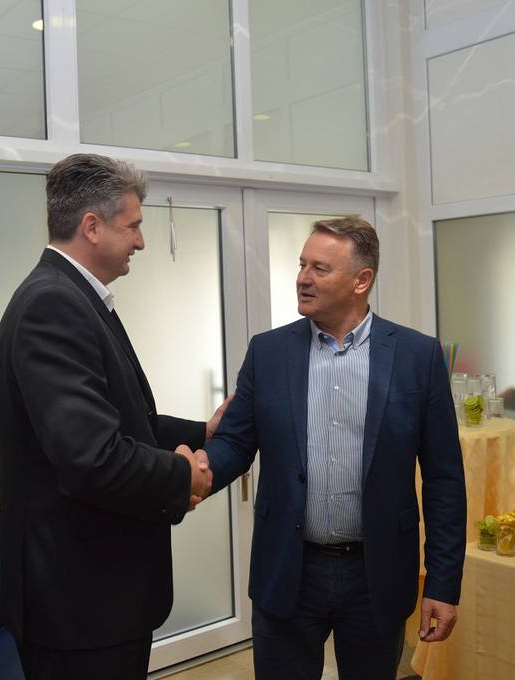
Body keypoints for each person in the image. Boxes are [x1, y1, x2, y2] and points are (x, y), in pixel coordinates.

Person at [191, 216, 466, 679]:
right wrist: (194, 475)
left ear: (362, 280)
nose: (303, 278)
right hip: (288, 569)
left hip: (377, 573)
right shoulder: (268, 352)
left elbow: (444, 480)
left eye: (319, 268)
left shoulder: (417, 358)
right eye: (302, 265)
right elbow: (236, 442)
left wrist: (442, 584)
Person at [0, 153, 225, 680]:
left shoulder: (74, 297)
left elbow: (122, 420)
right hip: (80, 608)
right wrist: (181, 474)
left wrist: (202, 433)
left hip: (97, 604)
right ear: (92, 227)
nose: (141, 242)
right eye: (133, 226)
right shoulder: (53, 306)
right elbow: (93, 458)